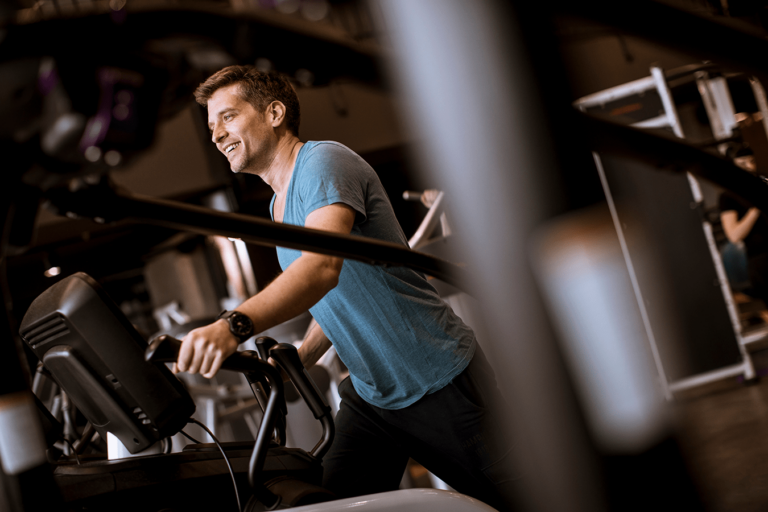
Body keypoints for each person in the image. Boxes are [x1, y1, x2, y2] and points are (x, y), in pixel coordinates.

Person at [176, 65, 517, 510]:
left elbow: (321, 270)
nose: (217, 135)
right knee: (326, 504)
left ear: (275, 112)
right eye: (211, 126)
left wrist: (234, 324)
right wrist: (303, 356)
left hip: (435, 380)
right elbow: (332, 296)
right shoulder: (280, 204)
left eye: (228, 117)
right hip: (373, 396)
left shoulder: (323, 161)